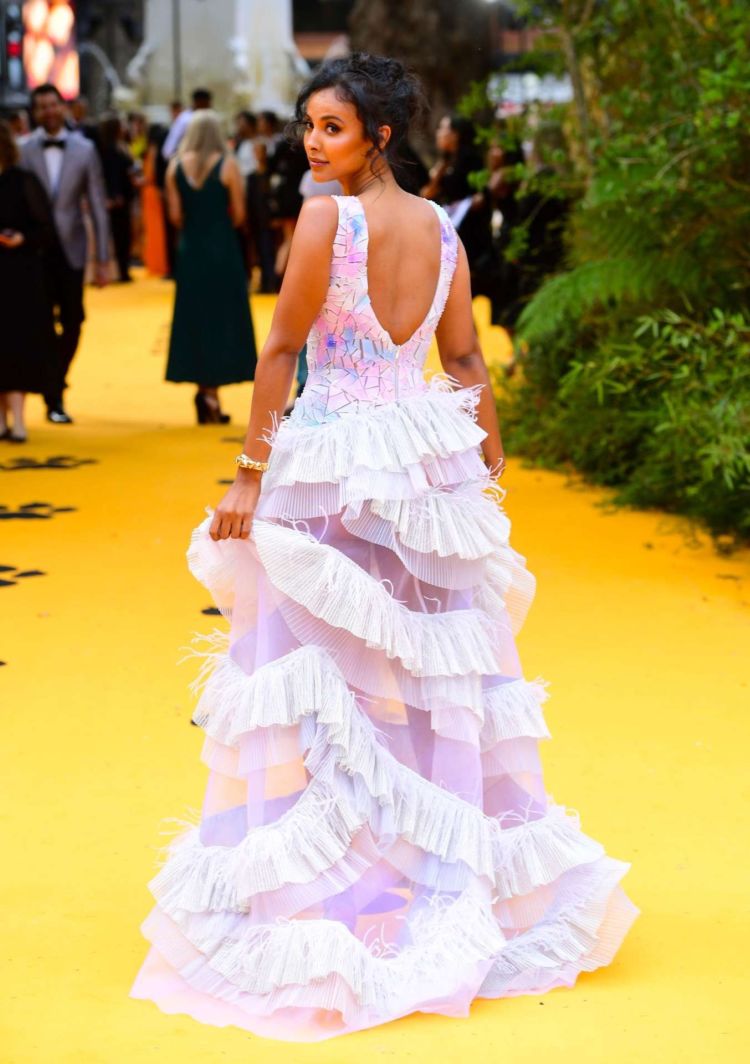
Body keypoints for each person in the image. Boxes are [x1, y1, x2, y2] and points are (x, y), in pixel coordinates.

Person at [131, 53, 639, 1040]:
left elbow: (280, 348)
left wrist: (246, 475)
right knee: (429, 684)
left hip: (334, 472)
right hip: (422, 469)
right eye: (310, 127)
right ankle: (427, 878)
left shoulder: (330, 221)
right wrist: (486, 463)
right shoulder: (443, 230)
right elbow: (461, 359)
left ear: (379, 136)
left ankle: (350, 896)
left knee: (325, 680)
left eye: (329, 128)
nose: (311, 144)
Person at [19, 83, 109, 424]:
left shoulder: (84, 149)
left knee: (74, 321)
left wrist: (102, 259)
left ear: (63, 107)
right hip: (34, 253)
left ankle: (54, 380)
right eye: (41, 106)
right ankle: (54, 395)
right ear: (35, 112)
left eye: (53, 104)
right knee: (40, 324)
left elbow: (98, 205)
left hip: (72, 249)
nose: (49, 111)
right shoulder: (23, 149)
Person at [164, 110, 257, 423]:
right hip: (222, 251)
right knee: (222, 319)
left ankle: (204, 392)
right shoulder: (228, 165)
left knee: (194, 319)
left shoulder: (175, 166)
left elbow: (175, 217)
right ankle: (213, 397)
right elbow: (241, 215)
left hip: (191, 252)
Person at [0, 120, 57, 442]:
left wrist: (21, 238)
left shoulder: (23, 181)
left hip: (19, 275)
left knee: (17, 345)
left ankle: (18, 420)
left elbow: (45, 230)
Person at [97, 113, 136, 283]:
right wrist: (114, 195)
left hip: (123, 197)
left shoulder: (120, 146)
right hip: (118, 199)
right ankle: (120, 270)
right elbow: (112, 174)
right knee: (120, 235)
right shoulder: (110, 149)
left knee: (123, 235)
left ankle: (122, 269)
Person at [140, 124, 169, 277]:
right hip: (154, 191)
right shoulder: (159, 150)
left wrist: (140, 180)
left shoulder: (152, 150)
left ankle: (156, 263)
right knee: (158, 228)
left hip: (150, 191)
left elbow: (149, 174)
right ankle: (160, 262)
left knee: (153, 229)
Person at [161, 87, 212, 161]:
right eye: (207, 103)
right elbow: (169, 149)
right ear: (199, 102)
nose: (209, 106)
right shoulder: (185, 119)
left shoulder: (209, 118)